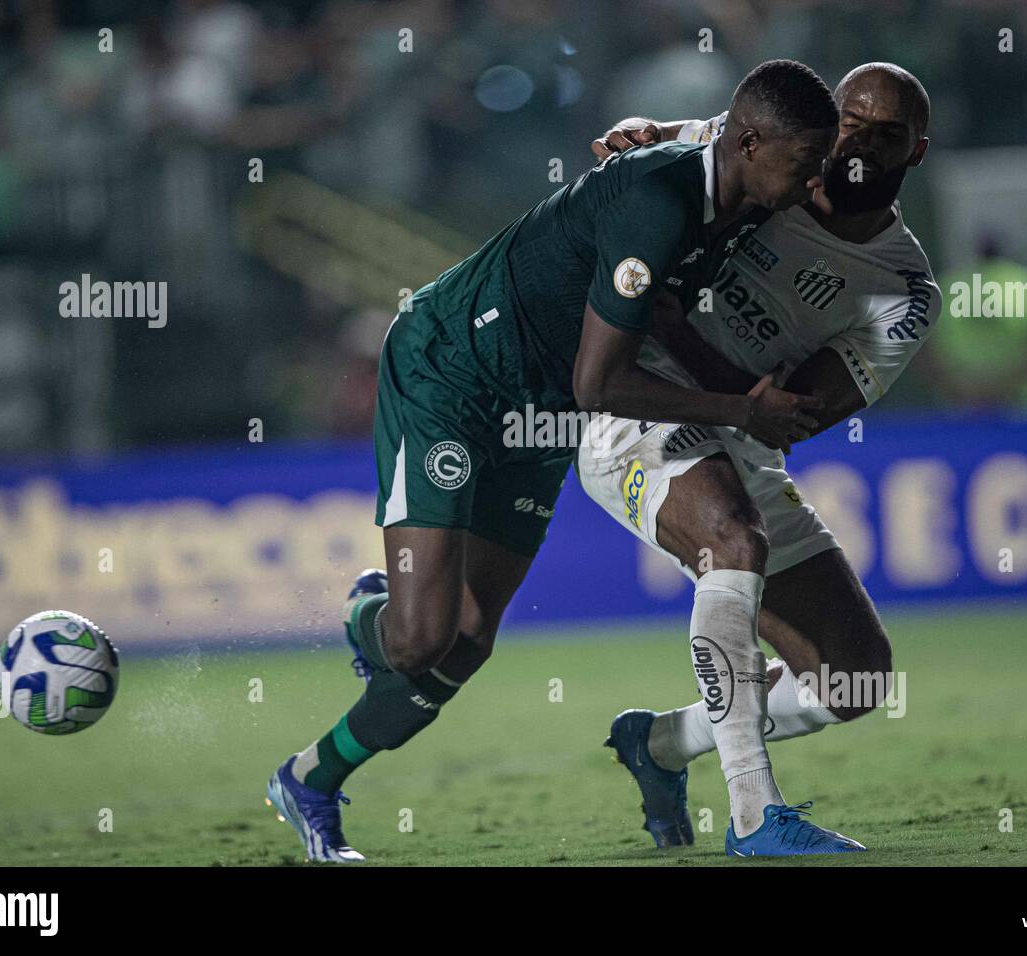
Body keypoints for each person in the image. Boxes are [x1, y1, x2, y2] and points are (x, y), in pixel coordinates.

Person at [265, 60, 840, 862]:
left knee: (465, 641)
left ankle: (310, 779)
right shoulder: (657, 200)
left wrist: (738, 384)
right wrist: (742, 409)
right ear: (749, 144)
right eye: (803, 162)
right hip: (453, 377)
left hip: (542, 414)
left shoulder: (739, 187)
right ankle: (374, 612)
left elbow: (660, 313)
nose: (815, 178)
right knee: (417, 642)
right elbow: (601, 380)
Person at [582, 62, 940, 855]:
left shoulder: (903, 288)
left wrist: (680, 329)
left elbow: (791, 417)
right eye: (851, 121)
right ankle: (754, 817)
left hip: (742, 438)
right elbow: (653, 144)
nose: (861, 146)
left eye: (889, 136)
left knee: (855, 677)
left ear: (916, 152)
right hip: (638, 408)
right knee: (733, 543)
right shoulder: (764, 154)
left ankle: (664, 745)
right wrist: (635, 135)